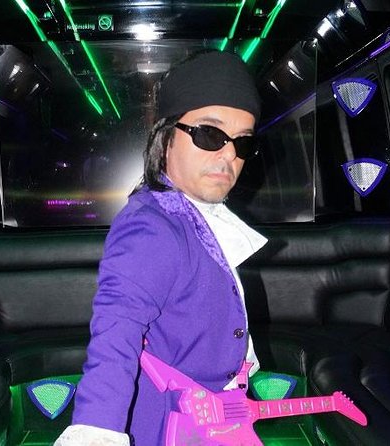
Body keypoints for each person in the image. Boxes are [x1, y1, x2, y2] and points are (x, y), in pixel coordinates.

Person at [55, 50, 268, 446]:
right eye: (210, 134)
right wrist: (97, 431)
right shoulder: (151, 226)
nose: (228, 155)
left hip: (211, 416)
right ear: (167, 137)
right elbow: (116, 333)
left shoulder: (193, 214)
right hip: (171, 425)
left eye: (243, 143)